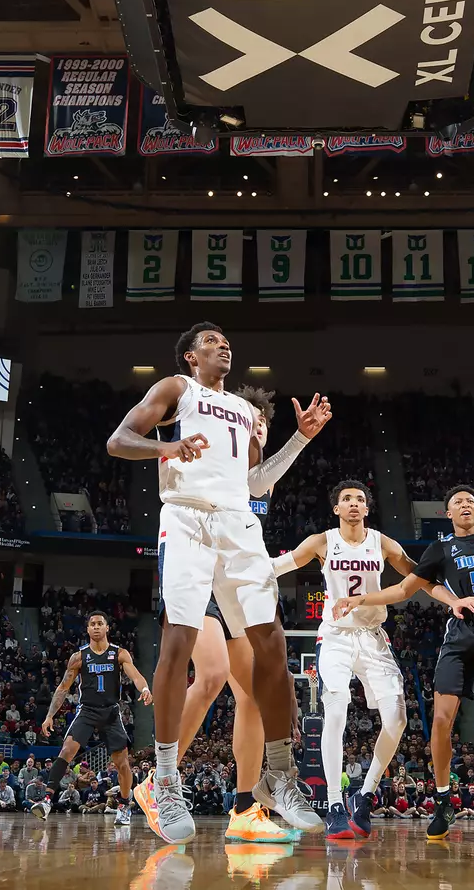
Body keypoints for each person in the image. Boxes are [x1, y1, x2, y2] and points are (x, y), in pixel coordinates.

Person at [106, 322, 330, 843]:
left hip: (238, 524)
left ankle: (277, 777)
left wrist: (301, 437)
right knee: (179, 645)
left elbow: (253, 483)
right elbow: (119, 441)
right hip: (186, 518)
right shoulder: (176, 388)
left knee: (272, 645)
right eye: (210, 341)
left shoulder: (246, 411)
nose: (223, 344)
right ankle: (165, 780)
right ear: (190, 356)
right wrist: (167, 449)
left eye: (226, 340)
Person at [332, 485, 474, 847]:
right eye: (457, 502)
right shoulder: (441, 548)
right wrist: (361, 599)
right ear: (448, 514)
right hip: (458, 634)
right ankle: (444, 801)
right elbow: (404, 590)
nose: (465, 505)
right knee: (441, 719)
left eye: (470, 502)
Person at [140, 385, 308, 845]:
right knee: (212, 674)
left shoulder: (257, 475)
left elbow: (257, 485)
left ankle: (245, 808)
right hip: (197, 564)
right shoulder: (210, 446)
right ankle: (159, 781)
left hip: (233, 575)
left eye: (263, 424)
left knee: (253, 695)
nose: (257, 427)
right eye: (252, 419)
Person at [274, 478, 449, 839]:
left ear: (367, 508)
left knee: (397, 719)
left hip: (372, 637)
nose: (353, 503)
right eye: (347, 499)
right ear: (336, 508)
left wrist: (452, 596)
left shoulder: (382, 543)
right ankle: (335, 805)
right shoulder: (322, 542)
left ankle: (364, 795)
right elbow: (278, 566)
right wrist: (234, 567)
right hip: (335, 637)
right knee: (336, 707)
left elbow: (418, 577)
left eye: (359, 499)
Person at [35, 611, 152, 828]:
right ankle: (47, 800)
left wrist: (144, 688)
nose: (96, 627)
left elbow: (136, 676)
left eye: (100, 623)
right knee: (66, 750)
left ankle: (124, 805)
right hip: (87, 710)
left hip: (110, 712)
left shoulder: (119, 653)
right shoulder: (79, 657)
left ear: (107, 628)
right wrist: (50, 715)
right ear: (88, 629)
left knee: (122, 764)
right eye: (92, 624)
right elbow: (63, 688)